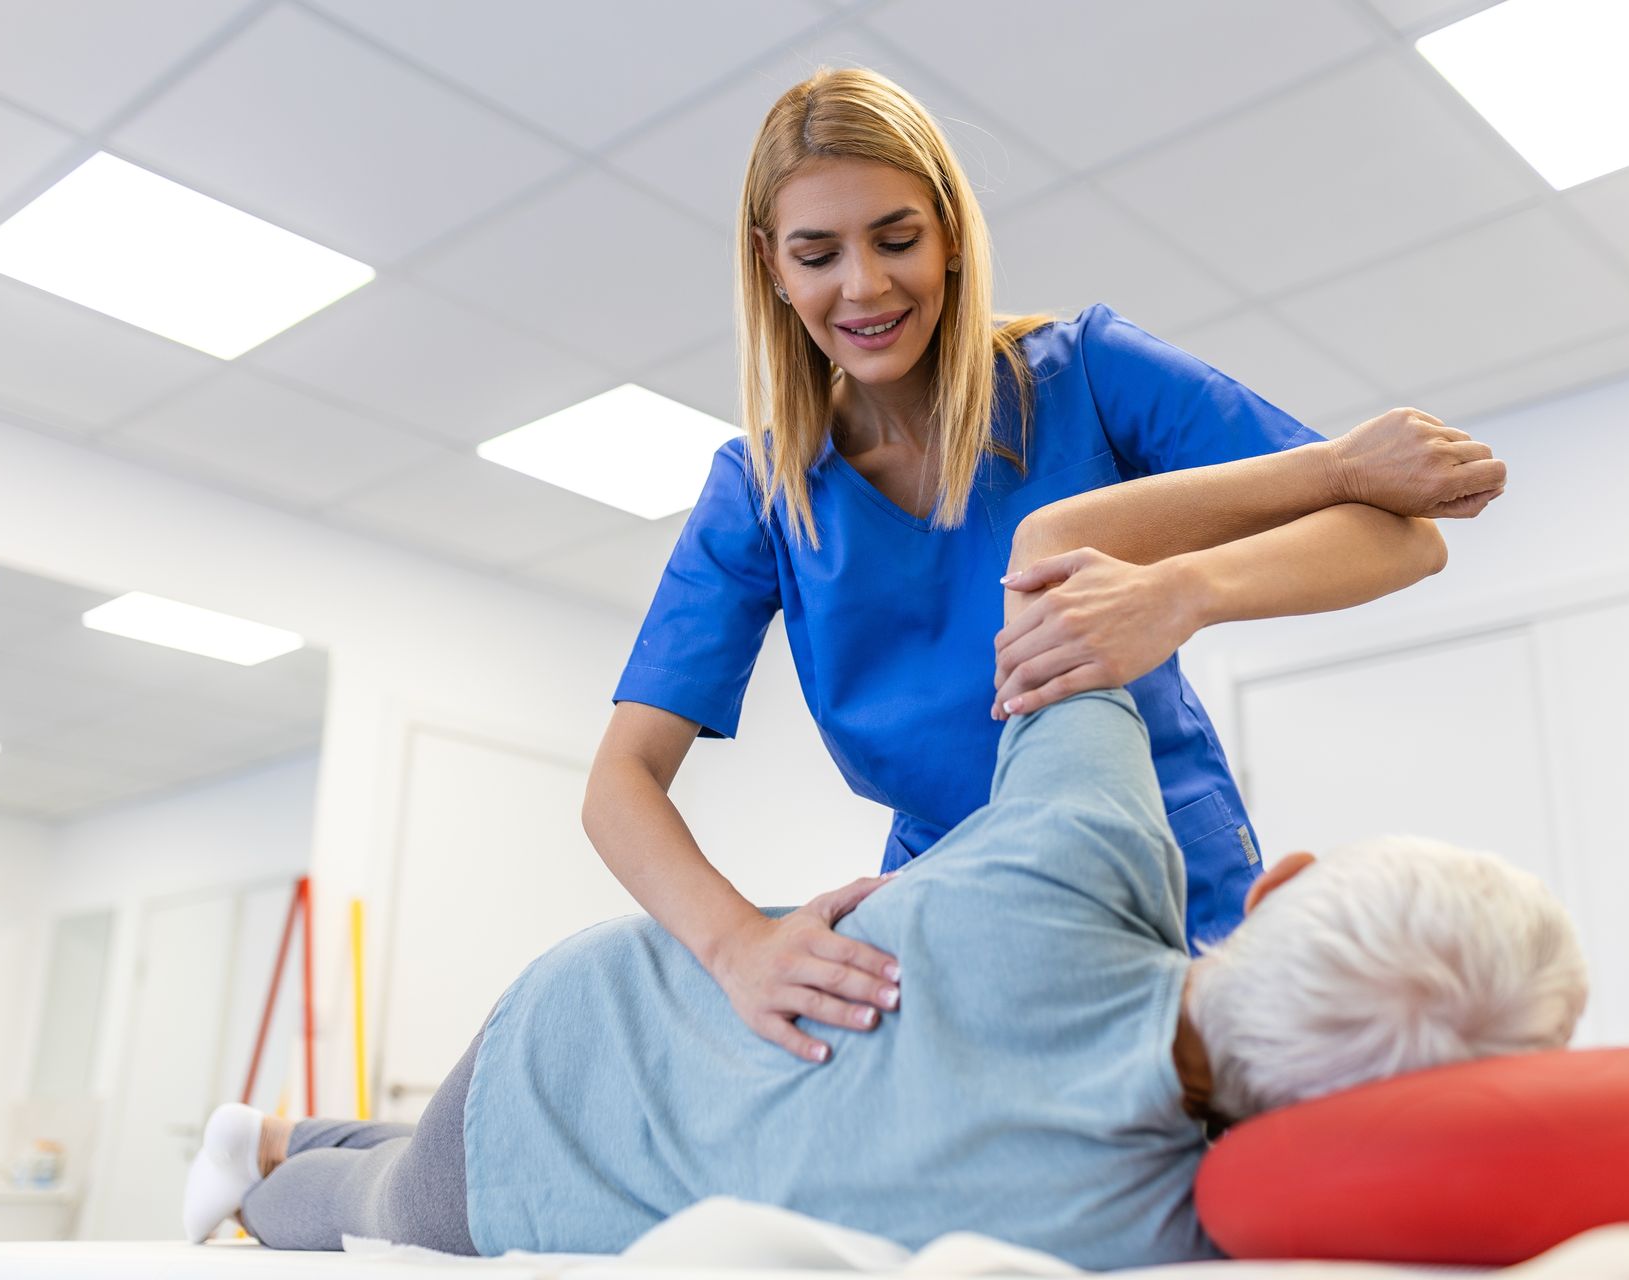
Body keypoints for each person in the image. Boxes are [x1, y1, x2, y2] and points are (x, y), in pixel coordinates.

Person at [183, 511, 1582, 1269]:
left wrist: (1187, 592)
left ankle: (278, 1135)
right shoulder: (1157, 1225)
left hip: (595, 1015)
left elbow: (1056, 550)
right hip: (572, 1117)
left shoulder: (1087, 851)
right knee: (362, 1213)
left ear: (1276, 890)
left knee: (392, 1169)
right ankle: (251, 1182)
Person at [583, 64, 1510, 1065]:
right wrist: (737, 944)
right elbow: (620, 780)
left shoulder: (1090, 377)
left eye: (896, 238)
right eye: (818, 254)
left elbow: (1402, 535)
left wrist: (1179, 592)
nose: (864, 285)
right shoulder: (765, 491)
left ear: (947, 229)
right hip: (950, 899)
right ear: (771, 265)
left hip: (1159, 870)